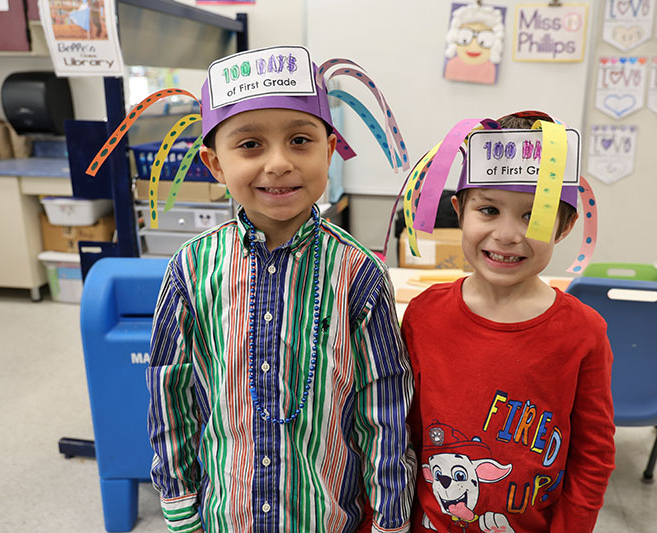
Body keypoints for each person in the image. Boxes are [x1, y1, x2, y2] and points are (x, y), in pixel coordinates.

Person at [87, 46, 416, 532]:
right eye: (250, 145)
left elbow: (382, 406)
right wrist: (178, 499)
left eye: (301, 140)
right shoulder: (192, 269)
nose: (279, 163)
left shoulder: (358, 273)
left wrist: (390, 517)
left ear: (328, 152)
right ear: (214, 164)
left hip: (323, 517)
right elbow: (169, 390)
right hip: (226, 515)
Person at [399, 111, 615, 532]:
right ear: (460, 212)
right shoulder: (423, 315)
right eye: (489, 210)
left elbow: (594, 453)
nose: (507, 234)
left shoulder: (584, 332)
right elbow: (400, 432)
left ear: (565, 225)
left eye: (532, 216)